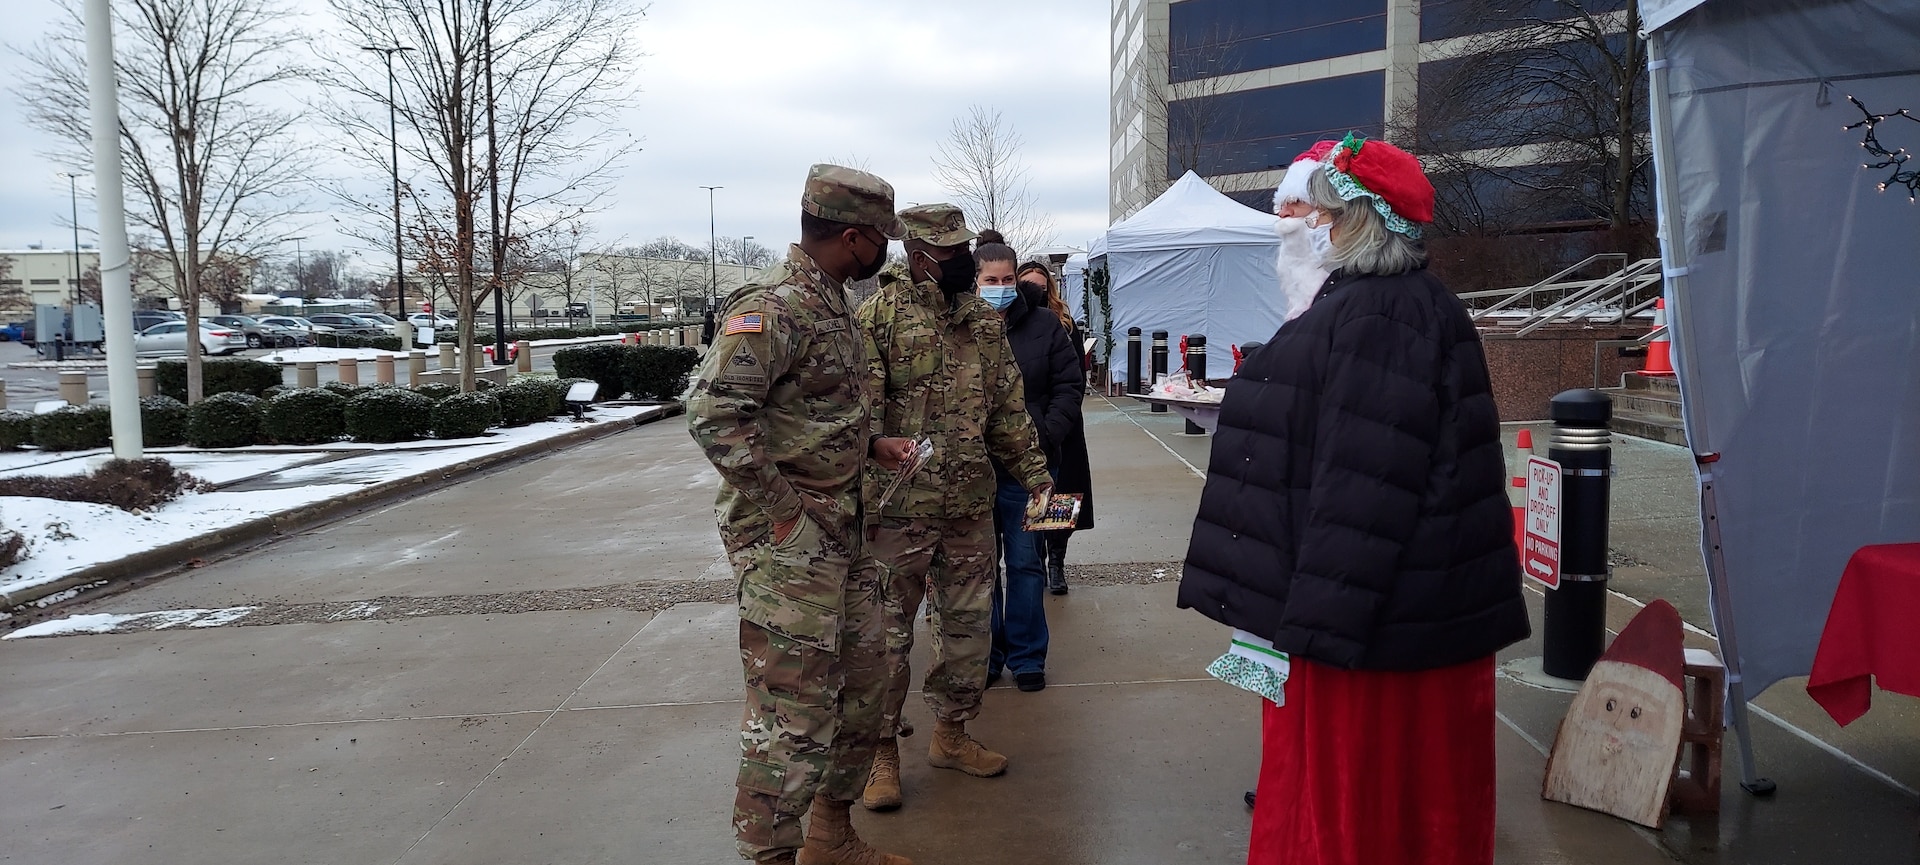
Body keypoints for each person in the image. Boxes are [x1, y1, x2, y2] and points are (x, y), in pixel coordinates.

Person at [1176, 134, 1530, 865]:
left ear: (1360, 222)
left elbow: (1366, 487)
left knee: (1365, 812)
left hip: (1375, 629)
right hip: (1391, 614)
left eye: (1326, 214)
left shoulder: (1381, 316)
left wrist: (1313, 631)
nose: (1313, 225)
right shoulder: (1380, 305)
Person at [686, 163, 918, 865]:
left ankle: (831, 835)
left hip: (841, 539)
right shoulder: (775, 306)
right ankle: (773, 857)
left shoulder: (832, 301)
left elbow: (803, 414)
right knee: (790, 717)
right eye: (882, 239)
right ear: (852, 237)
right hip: (790, 551)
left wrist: (869, 444)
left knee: (862, 688)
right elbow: (713, 414)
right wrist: (784, 515)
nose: (887, 251)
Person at [856, 206, 1053, 812]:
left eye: (964, 248)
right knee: (886, 642)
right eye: (950, 253)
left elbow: (1008, 415)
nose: (965, 262)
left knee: (966, 634)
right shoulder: (877, 319)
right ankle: (880, 753)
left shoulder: (983, 326)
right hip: (898, 515)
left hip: (969, 508)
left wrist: (1040, 483)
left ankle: (951, 733)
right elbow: (857, 415)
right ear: (917, 256)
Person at [972, 236, 1084, 692]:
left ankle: (1028, 656)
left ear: (1016, 279)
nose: (999, 287)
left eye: (1006, 279)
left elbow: (1069, 385)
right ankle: (989, 656)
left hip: (1036, 470)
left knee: (1026, 563)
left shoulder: (1044, 325)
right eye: (989, 280)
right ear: (975, 281)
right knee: (981, 569)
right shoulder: (963, 327)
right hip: (976, 472)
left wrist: (1047, 434)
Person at [1013, 261, 1094, 596]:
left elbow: (1073, 377)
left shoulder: (1063, 323)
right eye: (1028, 284)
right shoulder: (1011, 324)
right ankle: (1040, 556)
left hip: (1061, 428)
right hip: (1027, 425)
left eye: (1041, 286)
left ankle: (1057, 561)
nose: (1036, 291)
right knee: (1034, 501)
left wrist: (1056, 423)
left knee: (1061, 497)